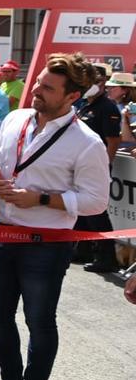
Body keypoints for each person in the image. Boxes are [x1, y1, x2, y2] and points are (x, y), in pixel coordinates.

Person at [0, 52, 110, 380]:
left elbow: (96, 200)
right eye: (38, 83)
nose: (37, 90)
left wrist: (43, 198)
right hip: (4, 233)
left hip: (47, 245)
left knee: (39, 321)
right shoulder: (16, 119)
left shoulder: (87, 142)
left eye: (48, 88)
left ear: (72, 96)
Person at [71, 64, 122, 273]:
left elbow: (113, 140)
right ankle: (83, 249)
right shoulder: (83, 104)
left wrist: (105, 166)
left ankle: (107, 257)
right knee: (81, 211)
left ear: (102, 83)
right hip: (79, 167)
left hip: (96, 169)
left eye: (97, 81)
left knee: (97, 215)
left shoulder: (107, 107)